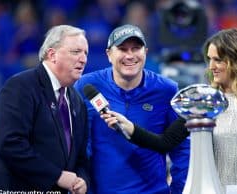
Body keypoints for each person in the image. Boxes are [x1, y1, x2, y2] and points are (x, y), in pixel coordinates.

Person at [101, 28, 237, 194]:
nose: (211, 66)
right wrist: (131, 128)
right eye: (210, 59)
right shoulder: (203, 98)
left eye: (218, 60)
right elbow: (165, 142)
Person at [74, 24, 190, 194]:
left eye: (136, 48)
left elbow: (181, 149)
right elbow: (78, 144)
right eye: (122, 49)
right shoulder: (87, 85)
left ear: (146, 52)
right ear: (109, 55)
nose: (130, 55)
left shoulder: (167, 90)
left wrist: (180, 189)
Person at [0, 25, 90, 193]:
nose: (83, 59)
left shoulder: (77, 101)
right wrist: (56, 176)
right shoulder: (21, 86)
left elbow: (80, 157)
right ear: (52, 55)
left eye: (85, 53)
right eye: (76, 52)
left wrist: (82, 180)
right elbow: (9, 144)